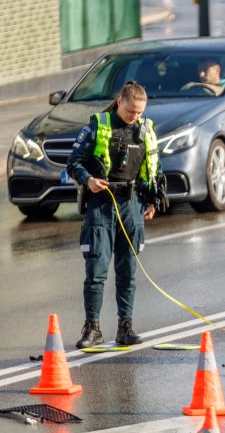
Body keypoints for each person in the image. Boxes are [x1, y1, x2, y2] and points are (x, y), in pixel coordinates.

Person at [66, 81, 168, 349]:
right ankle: (93, 329)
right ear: (119, 101)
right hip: (101, 204)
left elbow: (154, 168)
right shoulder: (98, 125)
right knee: (97, 269)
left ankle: (126, 327)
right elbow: (73, 162)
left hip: (132, 204)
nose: (135, 117)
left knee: (128, 272)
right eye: (131, 111)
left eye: (139, 112)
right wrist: (87, 180)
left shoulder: (146, 130)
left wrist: (152, 200)